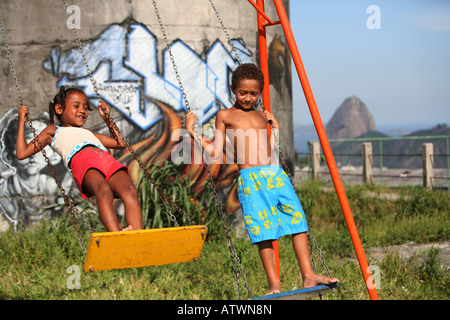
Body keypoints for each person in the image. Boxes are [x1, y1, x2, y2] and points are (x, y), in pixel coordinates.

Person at [185, 63, 338, 295]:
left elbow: (270, 150)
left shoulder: (261, 115)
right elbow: (215, 151)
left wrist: (275, 130)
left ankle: (308, 275)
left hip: (275, 175)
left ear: (260, 92)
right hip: (251, 179)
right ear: (232, 89)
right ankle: (274, 284)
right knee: (263, 231)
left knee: (298, 221)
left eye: (254, 93)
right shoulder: (225, 115)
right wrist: (192, 132)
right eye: (242, 92)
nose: (248, 98)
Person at [16, 86, 142, 232]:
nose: (82, 110)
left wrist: (107, 119)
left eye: (85, 107)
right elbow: (22, 153)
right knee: (103, 190)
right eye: (76, 106)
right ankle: (115, 235)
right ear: (59, 109)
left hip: (105, 159)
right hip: (83, 162)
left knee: (130, 190)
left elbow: (120, 143)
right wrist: (21, 122)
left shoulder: (88, 133)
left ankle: (137, 234)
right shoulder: (53, 131)